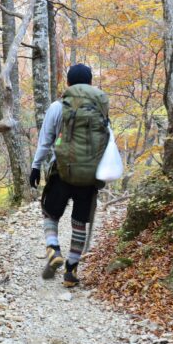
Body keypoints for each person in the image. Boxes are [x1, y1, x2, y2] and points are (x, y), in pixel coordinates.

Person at [29, 63, 110, 288]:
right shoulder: (101, 107)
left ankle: (54, 248)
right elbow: (107, 139)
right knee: (79, 223)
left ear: (68, 83)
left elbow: (46, 141)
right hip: (89, 176)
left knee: (49, 213)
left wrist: (35, 167)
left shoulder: (58, 107)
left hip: (62, 172)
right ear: (90, 83)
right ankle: (71, 271)